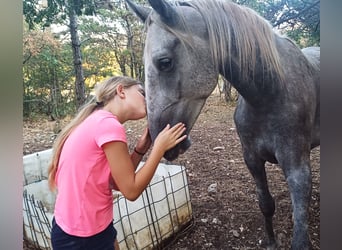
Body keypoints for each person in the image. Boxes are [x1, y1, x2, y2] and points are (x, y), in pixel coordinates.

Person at [48, 76, 187, 250]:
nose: (148, 99)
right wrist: (158, 148)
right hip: (82, 238)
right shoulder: (108, 125)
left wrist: (140, 149)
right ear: (121, 91)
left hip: (84, 228)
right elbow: (131, 191)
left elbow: (116, 183)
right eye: (142, 92)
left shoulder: (95, 120)